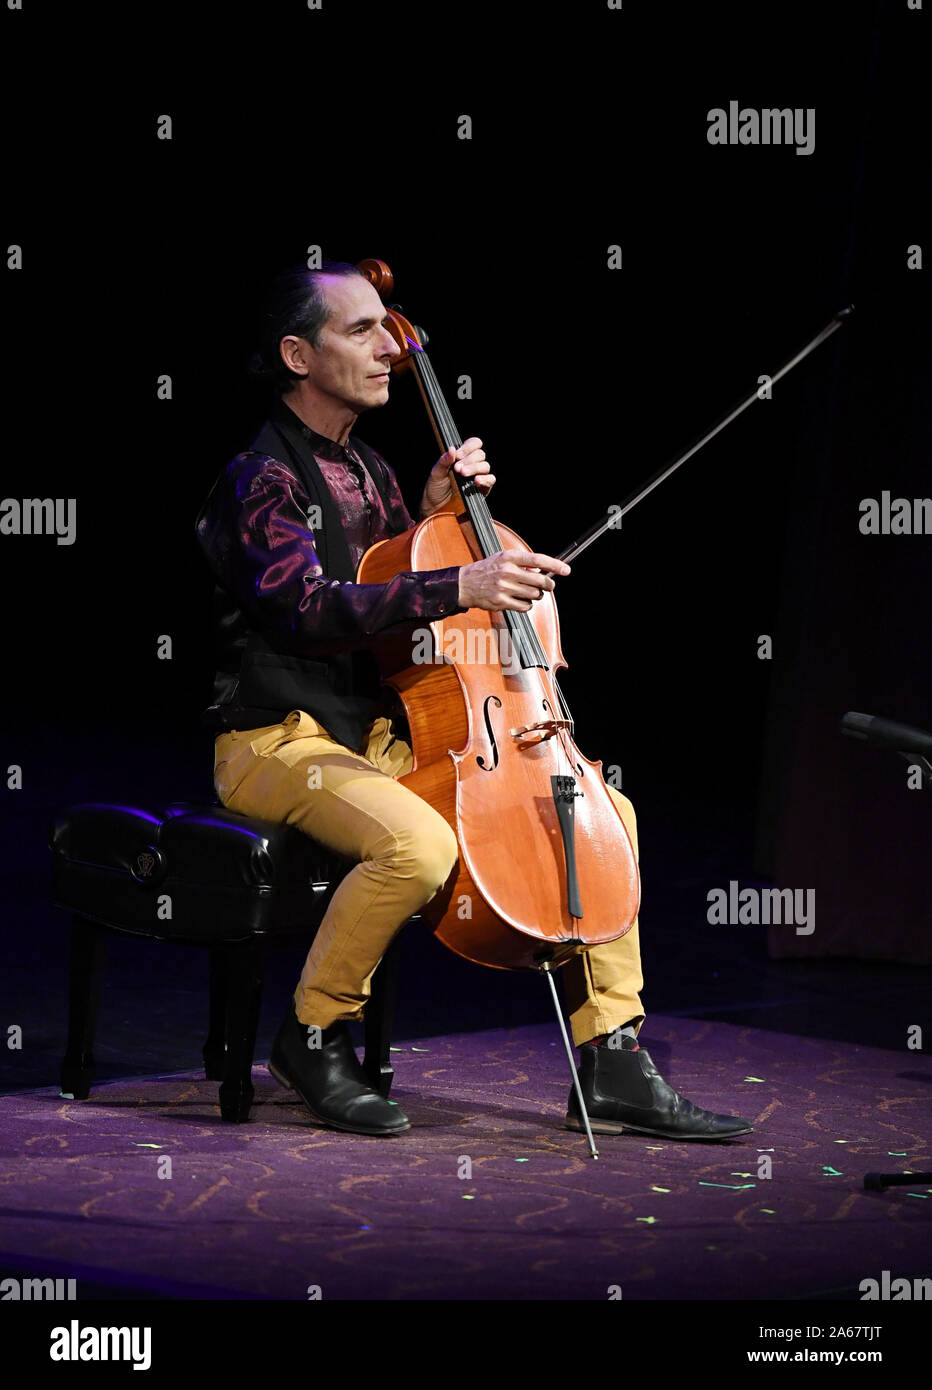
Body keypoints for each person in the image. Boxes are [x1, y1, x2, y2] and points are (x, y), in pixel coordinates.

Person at [194, 261, 753, 1143]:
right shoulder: (257, 480)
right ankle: (313, 1031)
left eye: (389, 327)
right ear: (297, 354)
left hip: (378, 737)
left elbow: (382, 577)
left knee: (606, 812)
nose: (391, 347)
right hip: (276, 737)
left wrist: (426, 520)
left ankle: (610, 1052)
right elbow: (305, 607)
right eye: (362, 331)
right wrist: (461, 576)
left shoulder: (371, 469)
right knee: (417, 843)